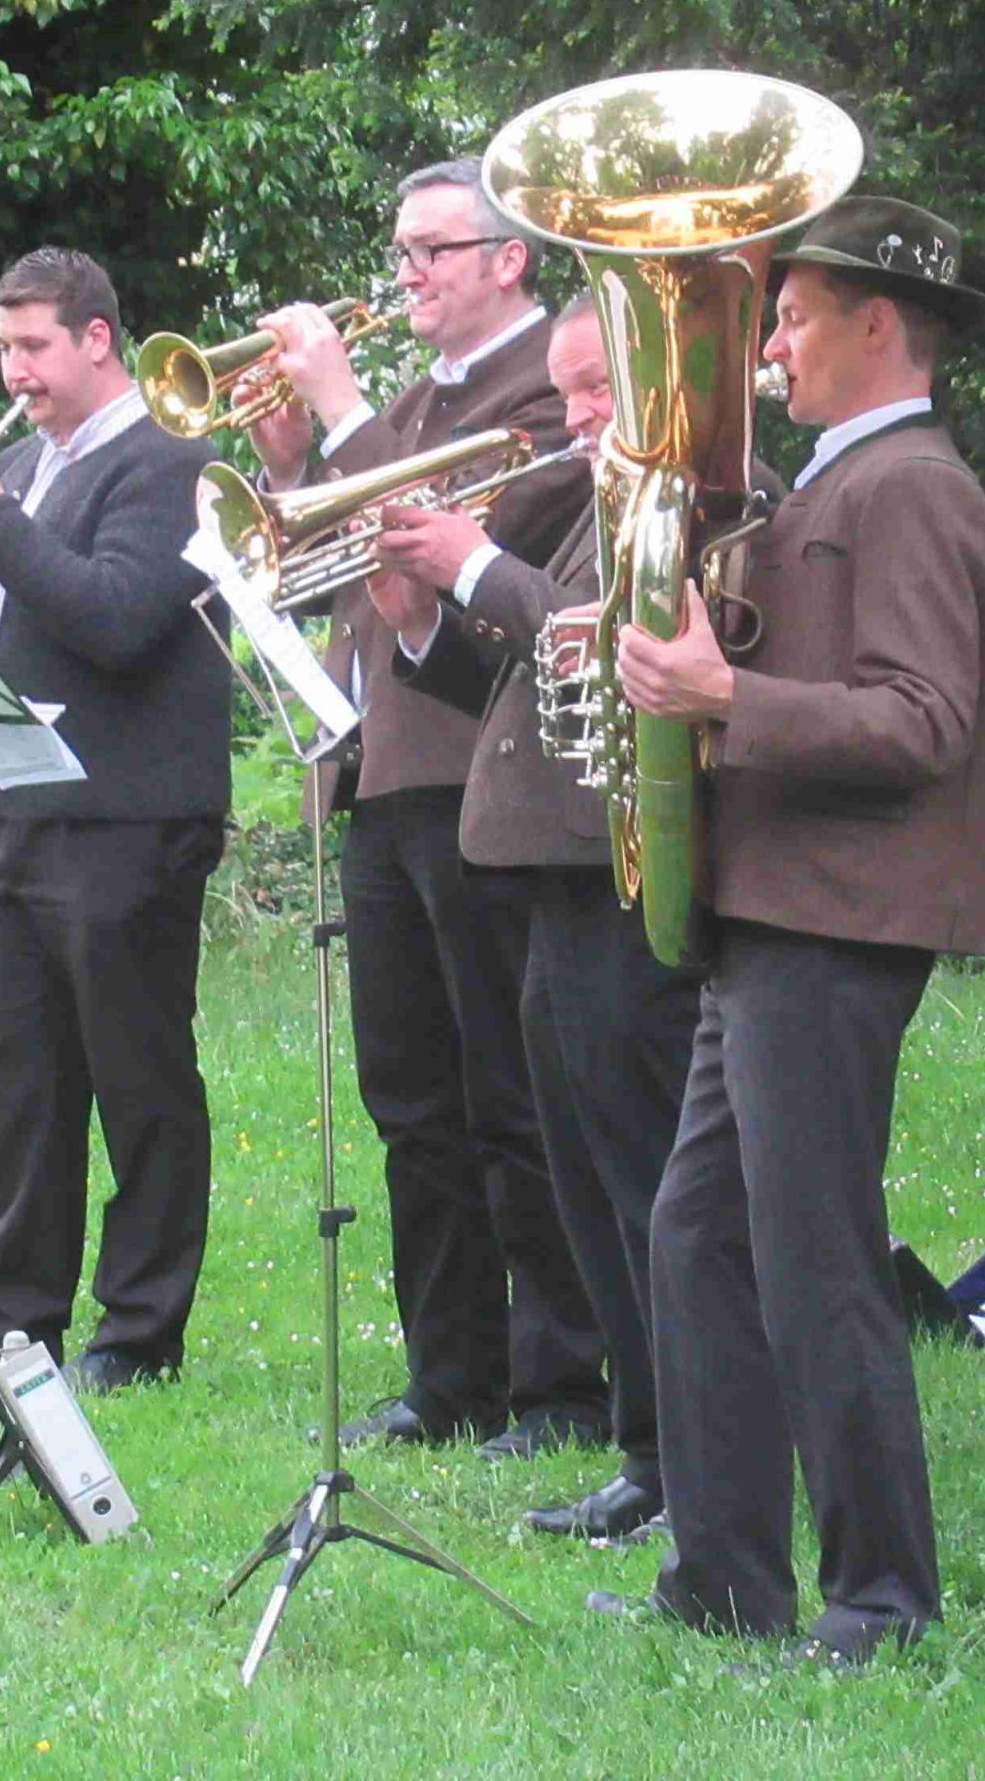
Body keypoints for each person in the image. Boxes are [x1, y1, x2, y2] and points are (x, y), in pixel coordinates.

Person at [605, 198, 985, 1663]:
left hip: (837, 917)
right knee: (699, 1237)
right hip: (773, 910)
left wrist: (723, 698)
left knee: (813, 1254)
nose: (769, 345)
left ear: (877, 323)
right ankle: (723, 1577)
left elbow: (921, 722)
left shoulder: (913, 489)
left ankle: (882, 1599)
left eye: (789, 317)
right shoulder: (838, 482)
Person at [250, 159, 602, 1455]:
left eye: (431, 251)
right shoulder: (411, 403)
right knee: (409, 1100)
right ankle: (451, 1373)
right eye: (400, 251)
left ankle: (562, 1378)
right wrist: (292, 458)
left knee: (511, 1092)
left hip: (480, 773)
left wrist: (339, 409)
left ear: (508, 259)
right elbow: (337, 551)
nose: (406, 274)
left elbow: (458, 541)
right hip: (381, 778)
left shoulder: (545, 395)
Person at [365, 296, 722, 1537]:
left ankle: (693, 1464)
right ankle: (648, 1450)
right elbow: (528, 676)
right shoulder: (598, 499)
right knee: (583, 1183)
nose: (573, 419)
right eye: (566, 392)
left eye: (594, 390)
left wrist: (472, 565)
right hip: (551, 877)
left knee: (645, 1183)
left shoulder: (694, 499)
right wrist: (422, 621)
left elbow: (601, 646)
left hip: (623, 880)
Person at [0, 246, 230, 1395]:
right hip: (14, 802)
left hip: (127, 814)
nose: (13, 371)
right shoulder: (22, 465)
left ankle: (139, 1331)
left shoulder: (170, 461)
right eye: (3, 347)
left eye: (33, 347)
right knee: (16, 1078)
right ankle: (10, 1327)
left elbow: (114, 619)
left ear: (97, 339)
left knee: (138, 1076)